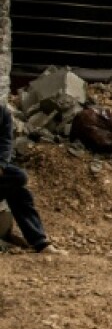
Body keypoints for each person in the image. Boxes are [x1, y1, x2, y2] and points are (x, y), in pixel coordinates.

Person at [0, 101, 56, 254]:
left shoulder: (2, 112)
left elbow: (6, 141)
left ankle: (40, 242)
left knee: (19, 187)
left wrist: (1, 164)